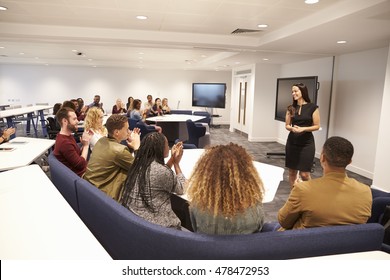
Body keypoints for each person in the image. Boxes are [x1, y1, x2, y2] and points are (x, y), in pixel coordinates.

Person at [278, 136, 372, 230]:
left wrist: (297, 193)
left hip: (305, 242)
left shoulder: (302, 189)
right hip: (350, 243)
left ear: (322, 158)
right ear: (349, 162)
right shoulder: (365, 191)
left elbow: (283, 221)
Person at [187, 143, 265, 234]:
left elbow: (195, 229)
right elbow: (259, 229)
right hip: (246, 248)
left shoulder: (197, 207)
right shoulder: (255, 208)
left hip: (208, 248)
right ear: (246, 173)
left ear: (208, 174)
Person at [121, 132, 186, 229]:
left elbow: (158, 176)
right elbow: (182, 188)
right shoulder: (162, 172)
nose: (168, 147)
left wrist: (172, 159)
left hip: (138, 221)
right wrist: (176, 163)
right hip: (161, 228)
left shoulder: (138, 164)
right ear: (160, 149)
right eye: (167, 145)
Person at [83, 115, 141, 201]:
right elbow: (140, 169)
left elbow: (118, 157)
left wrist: (131, 147)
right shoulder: (119, 150)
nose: (129, 131)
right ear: (117, 132)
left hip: (89, 188)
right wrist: (137, 147)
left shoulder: (101, 140)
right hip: (103, 195)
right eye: (126, 129)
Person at [285, 83, 320, 188]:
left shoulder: (313, 107)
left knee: (305, 174)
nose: (293, 93)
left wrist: (304, 128)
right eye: (292, 91)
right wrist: (292, 128)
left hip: (307, 144)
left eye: (295, 91)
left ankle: (309, 195)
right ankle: (294, 196)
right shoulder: (291, 108)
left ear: (302, 92)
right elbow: (287, 125)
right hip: (292, 143)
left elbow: (317, 126)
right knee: (292, 172)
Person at [53, 107, 92, 176]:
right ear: (65, 121)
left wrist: (83, 143)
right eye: (74, 119)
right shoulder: (64, 143)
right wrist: (86, 145)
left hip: (84, 171)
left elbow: (77, 155)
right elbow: (81, 165)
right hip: (82, 176)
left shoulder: (67, 136)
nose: (78, 121)